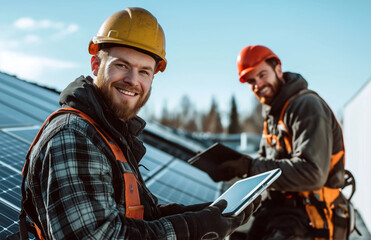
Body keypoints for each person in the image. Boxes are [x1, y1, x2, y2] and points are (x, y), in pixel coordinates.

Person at [17, 8, 259, 240]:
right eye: (122, 65)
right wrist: (195, 227)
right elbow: (95, 236)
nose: (133, 81)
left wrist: (208, 214)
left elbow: (139, 216)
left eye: (144, 72)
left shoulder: (109, 133)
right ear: (96, 65)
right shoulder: (74, 136)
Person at [216, 45, 348, 239]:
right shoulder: (274, 113)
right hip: (281, 211)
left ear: (278, 69)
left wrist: (250, 166)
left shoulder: (306, 106)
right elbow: (265, 161)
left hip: (310, 217)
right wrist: (240, 165)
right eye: (251, 81)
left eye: (262, 75)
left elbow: (312, 174)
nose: (258, 85)